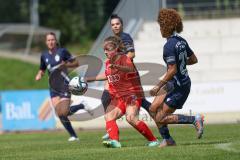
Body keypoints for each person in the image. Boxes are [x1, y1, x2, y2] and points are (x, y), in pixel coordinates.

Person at [86, 36, 159, 148]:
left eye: (108, 49)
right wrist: (89, 79)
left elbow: (130, 69)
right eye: (104, 49)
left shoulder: (124, 58)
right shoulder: (108, 63)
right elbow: (107, 75)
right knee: (109, 116)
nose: (105, 51)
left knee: (131, 118)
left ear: (115, 49)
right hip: (120, 97)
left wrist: (117, 66)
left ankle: (153, 140)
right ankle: (115, 141)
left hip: (132, 96)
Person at [149, 8, 204, 148]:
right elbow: (194, 59)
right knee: (153, 108)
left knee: (160, 117)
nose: (160, 29)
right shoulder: (181, 41)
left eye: (161, 26)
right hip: (175, 83)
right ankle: (168, 140)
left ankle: (194, 119)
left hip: (180, 86)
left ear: (167, 26)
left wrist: (158, 85)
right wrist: (181, 64)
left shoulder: (168, 46)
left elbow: (172, 70)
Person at [101, 14, 152, 140]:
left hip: (129, 75)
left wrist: (119, 63)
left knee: (142, 104)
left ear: (122, 25)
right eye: (113, 24)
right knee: (105, 97)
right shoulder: (112, 39)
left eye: (117, 24)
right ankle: (111, 125)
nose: (115, 26)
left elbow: (132, 53)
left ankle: (160, 119)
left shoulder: (125, 37)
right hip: (118, 75)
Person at [35, 32, 91, 142]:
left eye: (52, 40)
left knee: (64, 112)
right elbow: (42, 68)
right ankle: (74, 136)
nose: (50, 42)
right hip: (53, 87)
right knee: (59, 114)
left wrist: (65, 65)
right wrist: (39, 74)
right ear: (46, 42)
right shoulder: (44, 55)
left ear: (56, 41)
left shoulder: (62, 52)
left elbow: (76, 63)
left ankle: (81, 105)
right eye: (48, 40)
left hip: (64, 84)